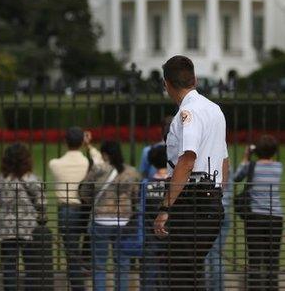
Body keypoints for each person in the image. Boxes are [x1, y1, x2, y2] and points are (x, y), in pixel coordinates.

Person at [153, 56, 228, 290]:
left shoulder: (189, 113)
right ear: (194, 79)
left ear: (166, 84)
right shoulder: (214, 110)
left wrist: (165, 207)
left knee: (179, 274)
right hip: (210, 199)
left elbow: (187, 160)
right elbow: (225, 162)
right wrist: (215, 195)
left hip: (192, 201)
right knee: (189, 272)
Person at [49, 127, 103, 291]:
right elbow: (100, 163)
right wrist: (90, 146)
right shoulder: (88, 162)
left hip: (66, 210)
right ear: (82, 141)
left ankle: (78, 286)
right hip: (85, 209)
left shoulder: (55, 164)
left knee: (71, 254)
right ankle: (82, 275)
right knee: (84, 248)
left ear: (65, 142)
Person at [82, 141, 141, 291]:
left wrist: (93, 202)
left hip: (101, 220)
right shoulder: (131, 172)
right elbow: (136, 196)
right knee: (122, 263)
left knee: (99, 264)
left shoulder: (98, 169)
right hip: (123, 221)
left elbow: (84, 192)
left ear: (105, 155)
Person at [0, 143, 50, 291]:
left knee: (9, 267)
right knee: (31, 267)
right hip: (29, 227)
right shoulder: (32, 178)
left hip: (7, 228)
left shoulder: (1, 178)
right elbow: (42, 202)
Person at [234, 134, 284, 290]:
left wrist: (245, 157)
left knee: (255, 258)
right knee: (272, 259)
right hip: (276, 216)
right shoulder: (278, 167)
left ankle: (254, 287)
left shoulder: (251, 166)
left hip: (255, 216)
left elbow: (236, 177)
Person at [141, 144, 169, 290]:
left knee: (149, 275)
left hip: (150, 234)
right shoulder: (173, 185)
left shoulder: (146, 184)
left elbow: (141, 208)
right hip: (170, 234)